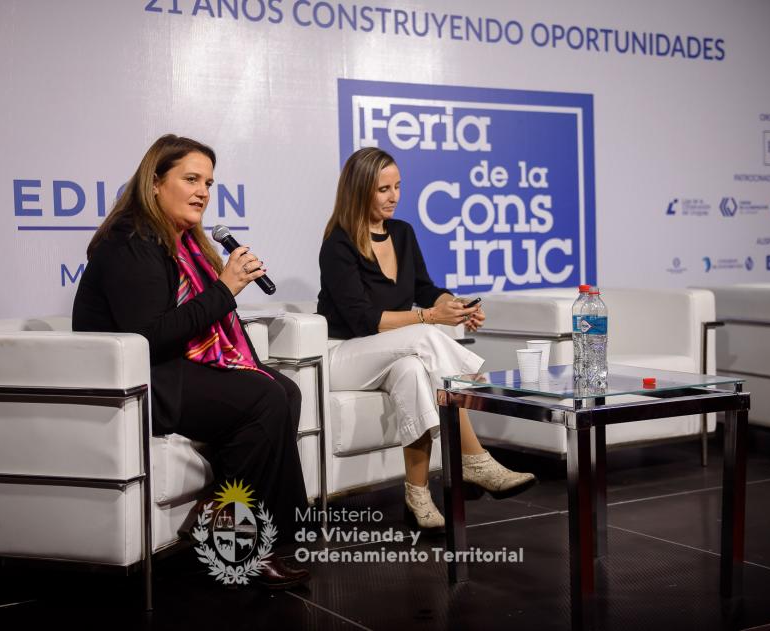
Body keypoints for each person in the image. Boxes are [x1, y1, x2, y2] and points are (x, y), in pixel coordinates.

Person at [72, 134, 308, 588]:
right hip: (138, 380)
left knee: (284, 388)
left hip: (170, 367)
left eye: (209, 183)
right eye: (191, 179)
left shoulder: (187, 244)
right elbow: (149, 338)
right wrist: (225, 289)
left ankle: (230, 518)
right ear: (155, 183)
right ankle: (243, 545)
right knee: (263, 398)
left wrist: (224, 293)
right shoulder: (131, 242)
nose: (202, 191)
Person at [317, 147, 536, 531]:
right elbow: (364, 319)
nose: (394, 196)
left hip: (390, 353)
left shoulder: (403, 233)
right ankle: (475, 456)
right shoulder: (337, 244)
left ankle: (417, 497)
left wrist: (456, 305)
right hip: (343, 356)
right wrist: (431, 317)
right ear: (359, 191)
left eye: (398, 186)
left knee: (413, 372)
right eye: (383, 188)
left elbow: (424, 287)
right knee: (422, 334)